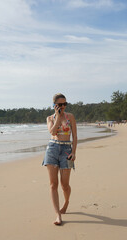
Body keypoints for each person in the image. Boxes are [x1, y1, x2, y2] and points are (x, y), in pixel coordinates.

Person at [42, 93, 77, 226]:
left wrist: (74, 152)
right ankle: (58, 215)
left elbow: (75, 136)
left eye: (64, 104)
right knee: (53, 184)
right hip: (52, 149)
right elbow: (52, 131)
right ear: (54, 105)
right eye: (60, 104)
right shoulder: (50, 118)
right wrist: (57, 116)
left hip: (67, 150)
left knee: (65, 184)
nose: (63, 106)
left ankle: (66, 201)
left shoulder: (71, 117)